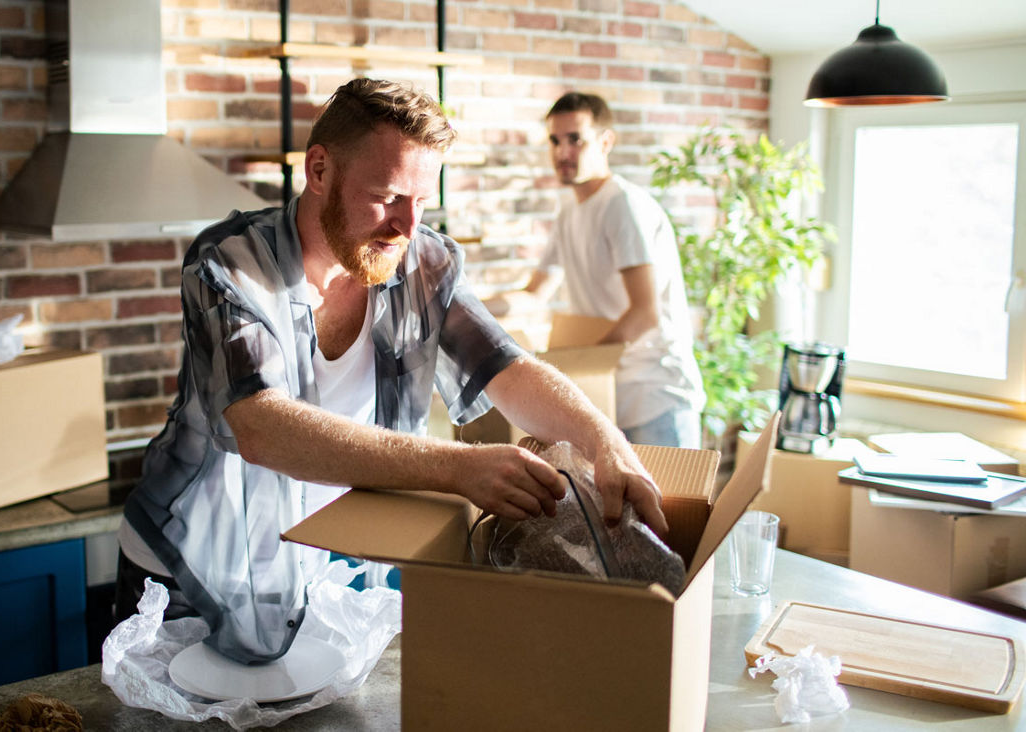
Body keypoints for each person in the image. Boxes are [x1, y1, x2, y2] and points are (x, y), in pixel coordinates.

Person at [114, 79, 667, 665]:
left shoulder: (425, 262)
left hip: (307, 561)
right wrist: (456, 468)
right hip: (184, 571)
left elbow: (508, 367)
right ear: (320, 170)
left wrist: (604, 440)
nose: (406, 226)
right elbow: (259, 424)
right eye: (386, 197)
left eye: (422, 201)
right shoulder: (229, 263)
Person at [486, 91, 705, 448]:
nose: (562, 152)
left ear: (606, 141)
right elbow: (533, 294)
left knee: (673, 505)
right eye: (555, 141)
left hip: (655, 396)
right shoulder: (570, 214)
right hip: (610, 394)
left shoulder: (622, 206)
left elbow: (645, 313)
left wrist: (581, 367)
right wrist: (467, 305)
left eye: (575, 140)